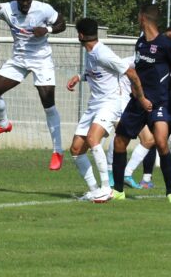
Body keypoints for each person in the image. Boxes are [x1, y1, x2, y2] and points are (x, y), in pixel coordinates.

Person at [0, 0, 67, 170]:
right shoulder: (7, 9)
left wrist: (47, 30)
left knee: (48, 105)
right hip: (18, 60)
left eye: (28, 0)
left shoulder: (43, 9)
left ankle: (57, 151)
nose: (25, 4)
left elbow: (61, 23)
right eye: (22, 0)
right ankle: (4, 124)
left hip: (41, 60)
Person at [111, 3, 171, 203]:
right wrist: (139, 96)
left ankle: (170, 193)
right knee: (119, 141)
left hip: (159, 102)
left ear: (143, 18)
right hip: (138, 101)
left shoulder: (166, 43)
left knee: (161, 142)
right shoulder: (140, 42)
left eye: (138, 16)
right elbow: (137, 74)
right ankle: (118, 191)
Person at [66, 18, 150, 203]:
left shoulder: (103, 53)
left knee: (92, 139)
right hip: (94, 105)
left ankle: (106, 188)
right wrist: (80, 77)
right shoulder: (92, 53)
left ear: (80, 35)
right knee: (76, 149)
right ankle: (95, 190)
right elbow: (97, 73)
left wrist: (141, 98)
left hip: (110, 103)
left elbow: (131, 73)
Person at [128, 26, 171, 191]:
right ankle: (146, 178)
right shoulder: (163, 55)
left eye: (170, 38)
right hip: (164, 105)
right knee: (155, 139)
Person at [105, 56, 156, 190]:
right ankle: (110, 171)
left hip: (136, 106)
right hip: (121, 104)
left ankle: (126, 174)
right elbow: (106, 69)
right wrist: (81, 77)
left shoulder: (155, 62)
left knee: (149, 140)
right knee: (120, 137)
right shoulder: (129, 61)